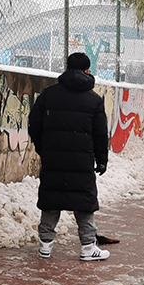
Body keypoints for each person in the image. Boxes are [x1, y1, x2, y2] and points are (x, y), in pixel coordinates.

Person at [28, 52, 110, 261]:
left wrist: (43, 148)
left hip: (53, 158)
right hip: (82, 160)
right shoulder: (94, 100)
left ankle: (45, 245)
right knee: (84, 201)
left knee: (51, 198)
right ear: (87, 70)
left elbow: (34, 123)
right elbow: (100, 134)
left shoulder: (49, 94)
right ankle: (88, 247)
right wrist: (101, 160)